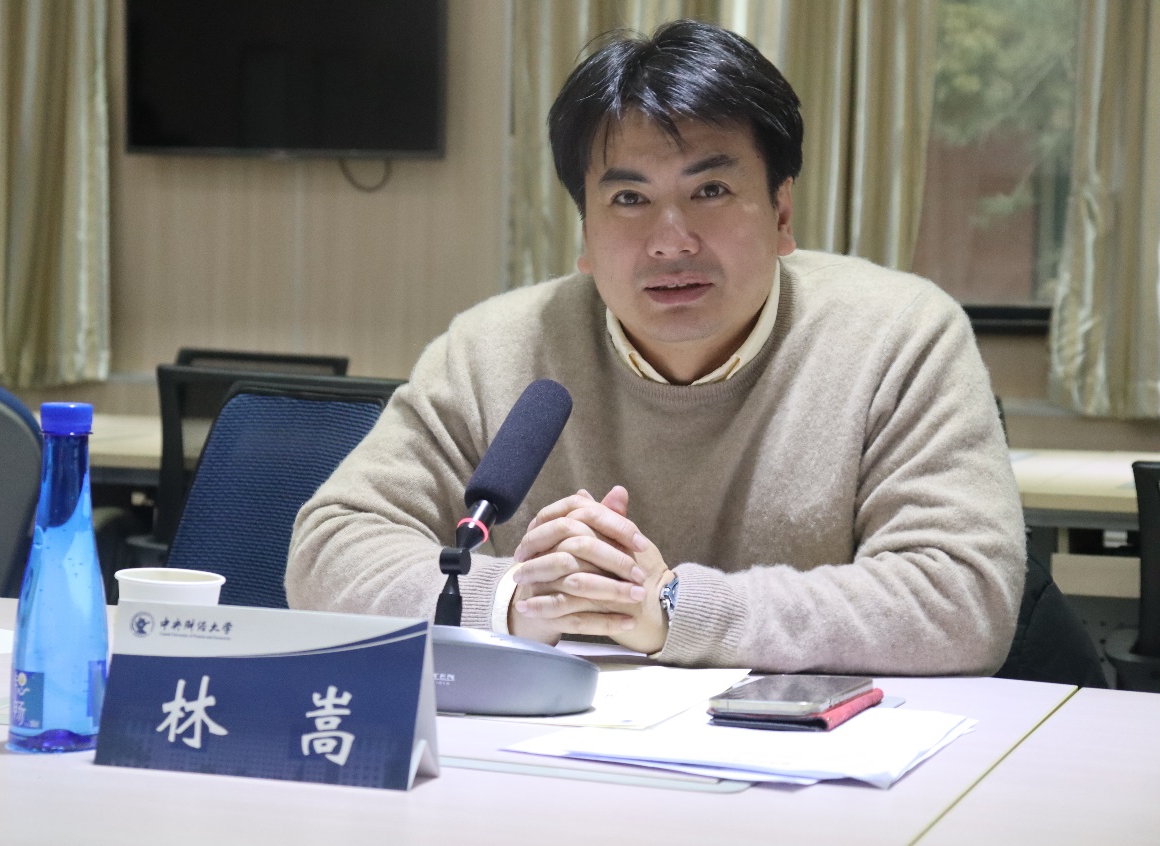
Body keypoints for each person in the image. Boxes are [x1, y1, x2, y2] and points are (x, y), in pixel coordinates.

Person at [285, 20, 1025, 674]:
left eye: (710, 191)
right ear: (584, 232)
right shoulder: (491, 350)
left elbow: (961, 596)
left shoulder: (899, 337)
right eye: (629, 199)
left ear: (780, 211)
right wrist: (512, 598)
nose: (671, 242)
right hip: (552, 753)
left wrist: (672, 608)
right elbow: (330, 551)